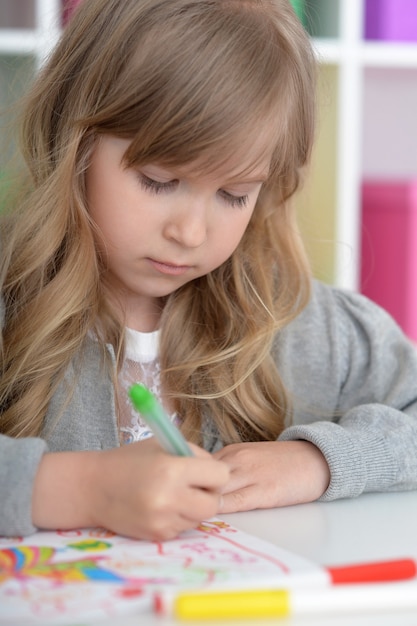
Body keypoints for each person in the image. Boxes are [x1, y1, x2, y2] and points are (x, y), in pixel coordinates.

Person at [1, 0, 417, 541]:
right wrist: (82, 488)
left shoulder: (301, 325)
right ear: (73, 140)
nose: (191, 233)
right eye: (158, 180)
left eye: (233, 194)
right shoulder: (15, 303)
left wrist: (317, 461)